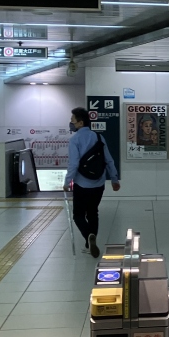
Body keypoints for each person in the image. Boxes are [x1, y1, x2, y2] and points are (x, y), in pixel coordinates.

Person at [66, 107, 120, 258]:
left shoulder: (74, 140)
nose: (71, 123)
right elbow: (109, 160)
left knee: (78, 215)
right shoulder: (98, 137)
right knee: (93, 212)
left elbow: (73, 164)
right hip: (98, 183)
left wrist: (67, 181)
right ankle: (90, 243)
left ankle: (88, 236)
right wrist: (114, 179)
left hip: (81, 184)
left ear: (80, 123)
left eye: (72, 121)